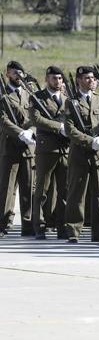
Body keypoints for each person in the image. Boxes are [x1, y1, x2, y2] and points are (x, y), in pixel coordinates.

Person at [63, 65, 99, 242]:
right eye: (87, 78)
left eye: (93, 78)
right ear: (79, 80)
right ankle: (73, 231)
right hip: (79, 152)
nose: (91, 81)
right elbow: (70, 129)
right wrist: (90, 141)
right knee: (76, 193)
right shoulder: (70, 102)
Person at [29, 65, 69, 240]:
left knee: (64, 191)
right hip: (47, 149)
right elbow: (36, 119)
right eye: (54, 78)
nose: (58, 81)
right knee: (42, 191)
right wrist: (58, 126)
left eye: (60, 78)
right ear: (47, 79)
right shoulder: (38, 98)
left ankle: (62, 226)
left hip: (65, 149)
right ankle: (40, 226)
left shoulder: (68, 99)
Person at [0, 60, 35, 237]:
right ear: (7, 74)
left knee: (28, 186)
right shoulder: (2, 94)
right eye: (14, 73)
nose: (18, 76)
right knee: (7, 187)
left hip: (29, 148)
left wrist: (31, 130)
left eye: (20, 73)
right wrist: (20, 132)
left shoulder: (30, 94)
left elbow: (37, 116)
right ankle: (4, 224)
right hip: (10, 146)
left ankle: (28, 225)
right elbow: (3, 120)